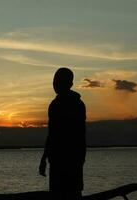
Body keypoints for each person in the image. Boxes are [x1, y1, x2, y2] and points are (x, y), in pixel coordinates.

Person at [39, 67, 86, 200]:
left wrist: (80, 160)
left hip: (72, 160)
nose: (55, 85)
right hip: (57, 160)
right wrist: (44, 159)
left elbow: (80, 135)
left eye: (59, 82)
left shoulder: (77, 105)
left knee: (73, 193)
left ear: (69, 84)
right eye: (54, 81)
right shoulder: (54, 105)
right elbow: (52, 134)